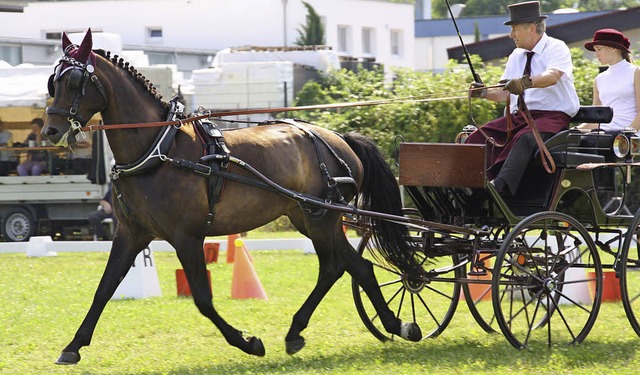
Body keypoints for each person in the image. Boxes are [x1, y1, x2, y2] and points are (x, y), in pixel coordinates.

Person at [466, 1, 580, 197]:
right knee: (477, 137)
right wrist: (483, 92)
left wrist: (525, 83)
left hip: (552, 117)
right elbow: (504, 93)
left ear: (532, 28)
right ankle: (467, 184)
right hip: (521, 118)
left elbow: (552, 76)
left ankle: (499, 188)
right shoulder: (516, 56)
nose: (511, 35)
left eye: (514, 29)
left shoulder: (556, 47)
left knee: (525, 139)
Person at [577, 28, 639, 132]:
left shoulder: (636, 73)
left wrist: (625, 135)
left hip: (630, 139)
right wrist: (574, 130)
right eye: (595, 50)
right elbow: (596, 118)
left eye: (599, 49)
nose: (596, 54)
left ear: (613, 48)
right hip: (604, 137)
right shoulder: (599, 79)